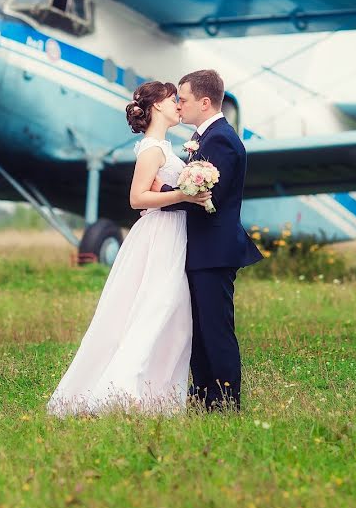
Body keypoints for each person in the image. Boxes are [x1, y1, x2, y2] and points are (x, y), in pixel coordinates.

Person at [46, 81, 211, 416]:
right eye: (171, 100)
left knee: (174, 317)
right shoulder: (152, 149)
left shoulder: (164, 146)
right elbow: (137, 198)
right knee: (157, 308)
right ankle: (118, 392)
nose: (178, 105)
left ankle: (156, 397)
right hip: (160, 235)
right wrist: (183, 194)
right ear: (156, 108)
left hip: (173, 233)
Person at [159, 69, 263, 411]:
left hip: (214, 251)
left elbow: (204, 193)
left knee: (215, 329)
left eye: (183, 99)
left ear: (205, 102)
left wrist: (159, 193)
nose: (179, 105)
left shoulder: (219, 139)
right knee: (199, 329)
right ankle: (204, 395)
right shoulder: (207, 137)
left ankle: (225, 402)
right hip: (202, 250)